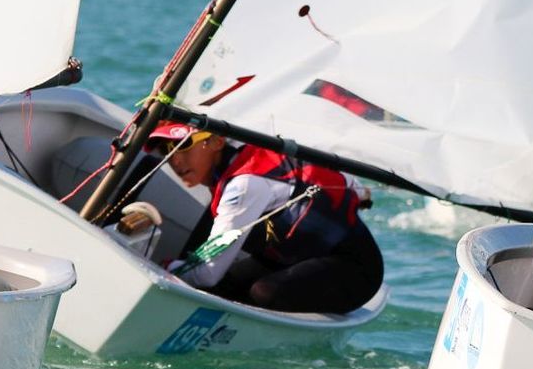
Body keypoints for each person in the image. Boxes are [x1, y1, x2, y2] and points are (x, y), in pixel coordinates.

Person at [147, 122, 384, 313]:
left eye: (183, 146)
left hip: (355, 270)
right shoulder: (247, 157)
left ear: (218, 141)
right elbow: (354, 187)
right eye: (166, 150)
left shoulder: (244, 185)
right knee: (224, 288)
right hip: (292, 259)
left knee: (263, 292)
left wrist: (164, 270)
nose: (174, 160)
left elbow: (208, 273)